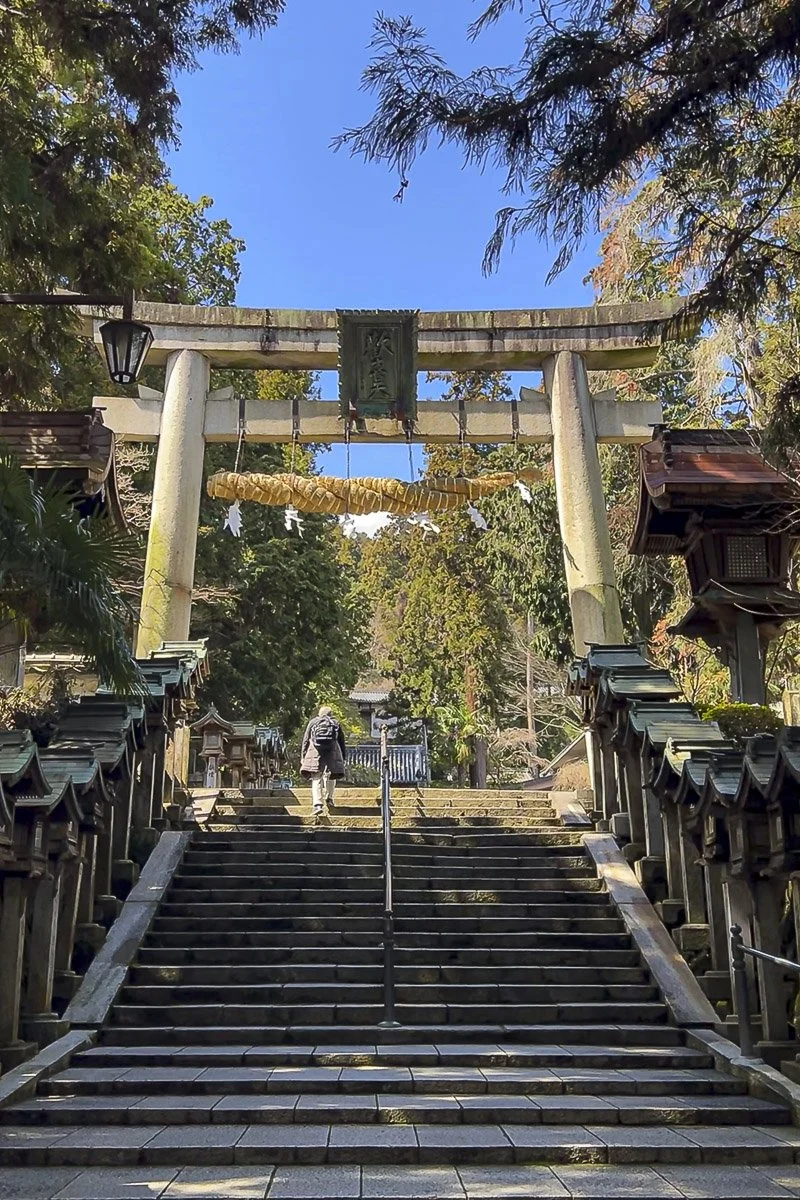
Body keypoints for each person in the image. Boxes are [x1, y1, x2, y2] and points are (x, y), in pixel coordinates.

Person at [300, 705, 347, 819]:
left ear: (319, 714)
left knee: (316, 777)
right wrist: (343, 758)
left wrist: (303, 756)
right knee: (331, 776)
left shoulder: (313, 722)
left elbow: (306, 740)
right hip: (332, 752)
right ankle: (329, 798)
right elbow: (341, 742)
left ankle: (317, 804)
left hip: (315, 751)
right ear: (331, 714)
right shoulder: (335, 723)